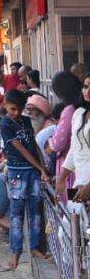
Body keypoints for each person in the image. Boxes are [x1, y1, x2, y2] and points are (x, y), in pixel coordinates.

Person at [0, 89, 52, 269]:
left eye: (19, 109)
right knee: (16, 214)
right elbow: (21, 149)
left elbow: (33, 145)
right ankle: (16, 252)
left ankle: (35, 247)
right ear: (5, 104)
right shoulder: (5, 124)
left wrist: (43, 168)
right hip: (17, 174)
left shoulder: (26, 121)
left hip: (34, 172)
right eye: (12, 108)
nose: (15, 113)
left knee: (36, 211)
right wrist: (40, 168)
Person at [59, 74, 90, 204]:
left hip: (87, 185)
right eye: (86, 86)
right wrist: (61, 178)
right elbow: (74, 148)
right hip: (79, 181)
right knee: (70, 218)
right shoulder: (78, 114)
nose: (87, 91)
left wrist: (88, 188)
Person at [50, 70, 83, 188]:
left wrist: (50, 141)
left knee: (73, 203)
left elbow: (58, 144)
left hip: (71, 168)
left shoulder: (69, 111)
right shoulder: (82, 108)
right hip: (81, 164)